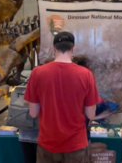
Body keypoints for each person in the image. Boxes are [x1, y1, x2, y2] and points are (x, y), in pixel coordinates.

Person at [24, 31, 100, 163]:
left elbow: (33, 113)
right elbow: (91, 114)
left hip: (47, 144)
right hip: (76, 145)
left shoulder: (37, 73)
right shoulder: (86, 74)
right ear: (73, 49)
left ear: (54, 49)